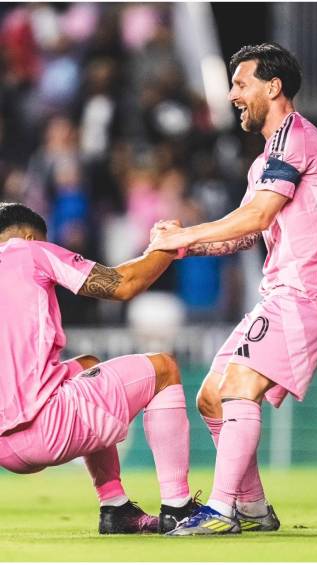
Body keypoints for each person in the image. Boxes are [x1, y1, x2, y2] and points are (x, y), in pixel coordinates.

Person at [147, 43, 317, 535]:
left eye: (241, 83)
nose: (233, 94)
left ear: (273, 86)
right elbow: (247, 232)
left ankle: (219, 511)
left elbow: (257, 215)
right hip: (283, 291)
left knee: (238, 387)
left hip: (306, 292)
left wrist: (185, 235)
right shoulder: (266, 161)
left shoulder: (295, 138)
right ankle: (254, 509)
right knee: (212, 397)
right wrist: (185, 245)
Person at [0, 202, 197, 535]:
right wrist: (168, 247)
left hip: (7, 451)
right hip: (48, 428)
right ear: (30, 236)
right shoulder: (31, 251)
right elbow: (123, 284)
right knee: (164, 368)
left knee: (87, 368)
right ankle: (179, 509)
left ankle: (115, 506)